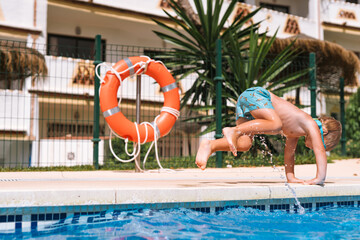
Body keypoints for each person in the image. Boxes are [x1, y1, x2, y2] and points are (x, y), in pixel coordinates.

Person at [195, 87, 342, 185]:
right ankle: (235, 130)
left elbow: (289, 154)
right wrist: (320, 179)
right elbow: (320, 152)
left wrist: (290, 177)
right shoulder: (310, 124)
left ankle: (211, 145)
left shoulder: (296, 132)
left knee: (245, 144)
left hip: (247, 103)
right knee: (275, 124)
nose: (314, 146)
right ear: (324, 133)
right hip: (257, 96)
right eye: (324, 144)